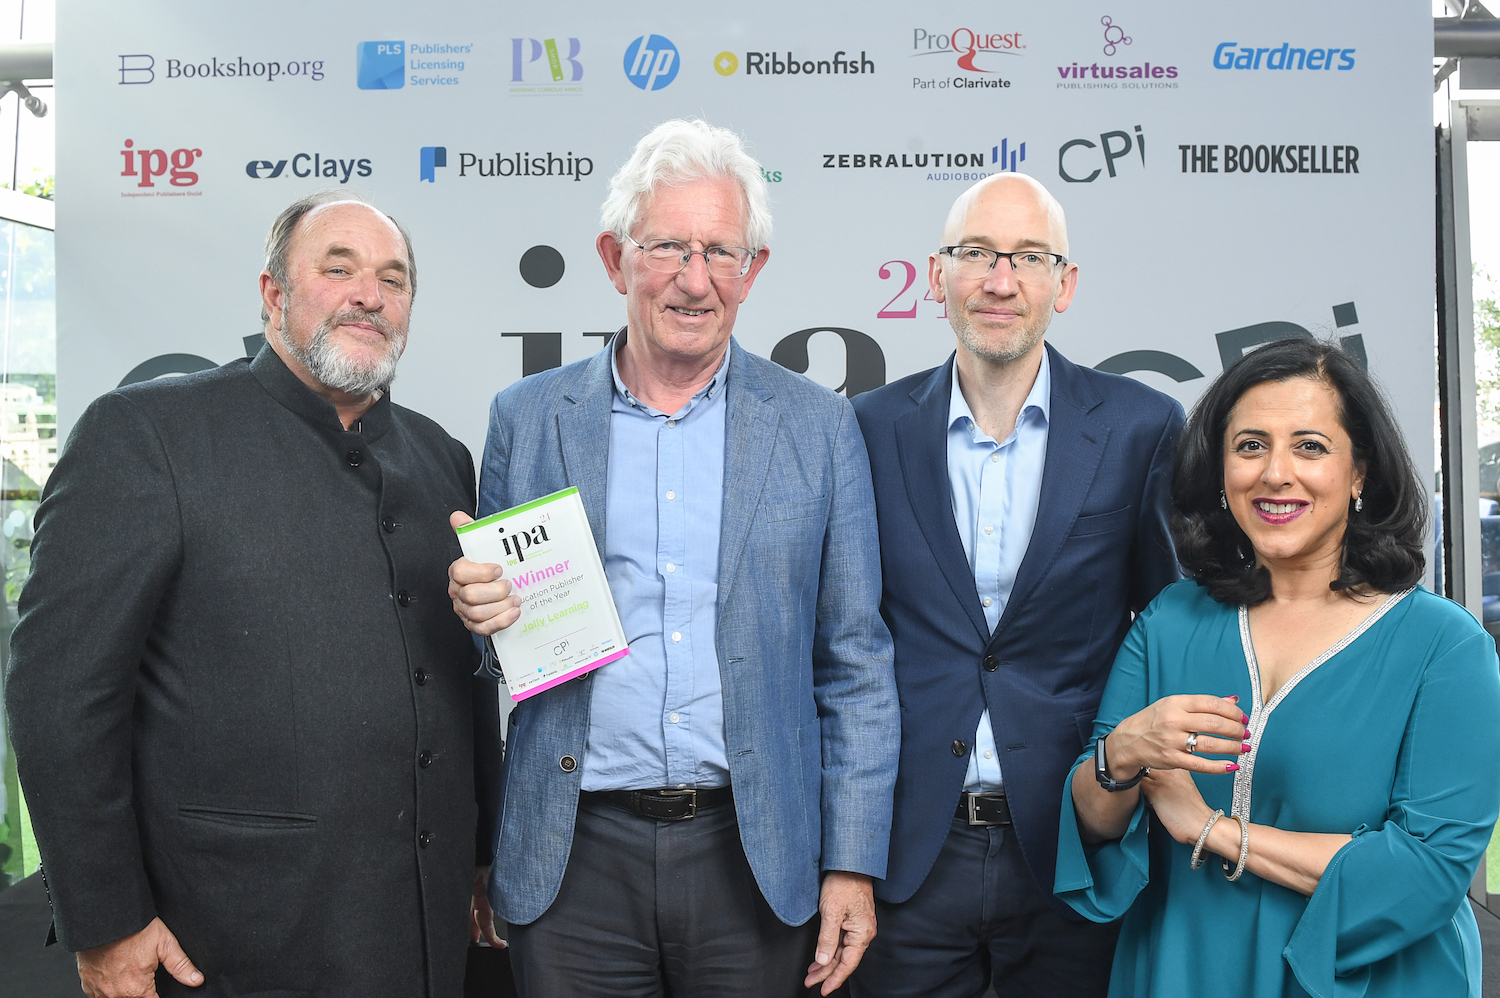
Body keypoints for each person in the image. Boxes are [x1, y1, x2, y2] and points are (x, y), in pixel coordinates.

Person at [3, 189, 503, 998]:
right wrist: (106, 919)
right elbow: (60, 694)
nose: (370, 295)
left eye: (393, 279)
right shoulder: (148, 434)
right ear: (273, 293)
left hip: (425, 927)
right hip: (230, 935)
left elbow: (461, 674)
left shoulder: (441, 456)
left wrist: (481, 852)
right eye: (338, 269)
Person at [446, 118, 899, 998]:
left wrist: (850, 863)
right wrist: (477, 615)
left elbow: (856, 661)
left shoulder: (817, 426)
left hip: (754, 856)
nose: (696, 280)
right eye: (667, 249)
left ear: (751, 271)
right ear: (615, 260)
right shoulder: (526, 418)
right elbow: (489, 653)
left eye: (721, 251)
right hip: (573, 856)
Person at [1059, 337, 1500, 996]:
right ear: (1221, 472)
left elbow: (1426, 870)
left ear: (1360, 474)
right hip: (1184, 968)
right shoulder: (1169, 621)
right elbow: (1094, 826)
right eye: (1250, 446)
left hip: (1368, 979)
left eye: (1310, 447)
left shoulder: (1445, 645)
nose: (1275, 473)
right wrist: (1118, 755)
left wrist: (1210, 828)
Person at [848, 173, 1184, 997]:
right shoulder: (866, 428)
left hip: (1075, 842)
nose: (1002, 280)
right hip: (908, 853)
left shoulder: (1141, 428)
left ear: (1064, 285)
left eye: (1030, 257)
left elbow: (1169, 631)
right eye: (978, 254)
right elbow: (843, 637)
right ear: (936, 275)